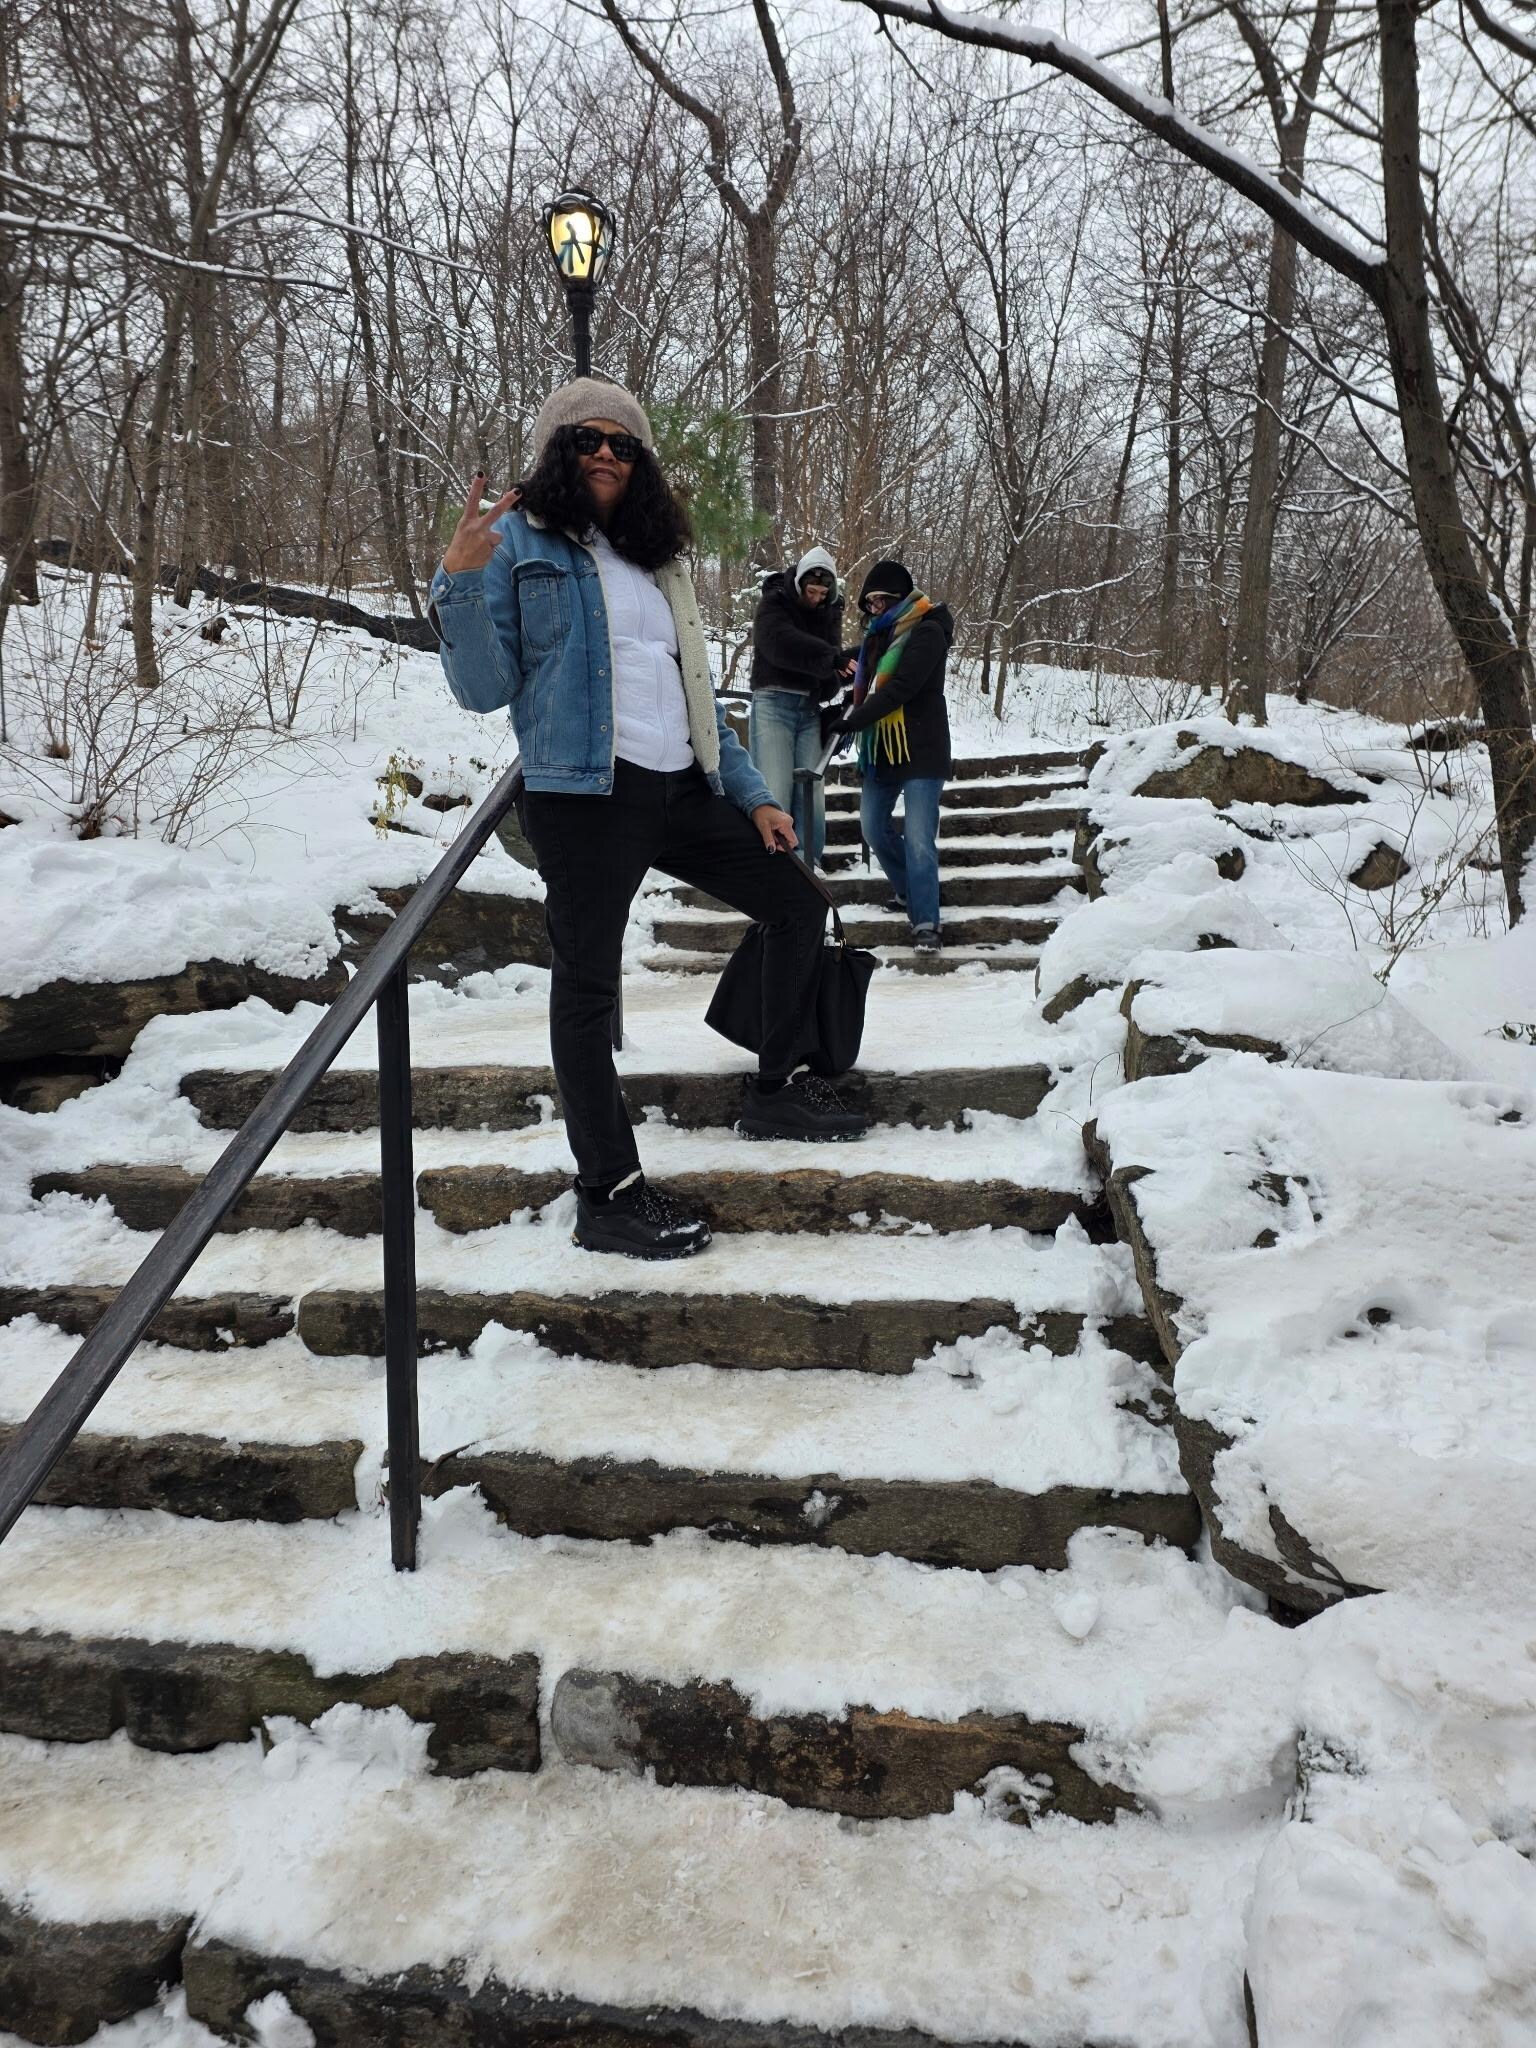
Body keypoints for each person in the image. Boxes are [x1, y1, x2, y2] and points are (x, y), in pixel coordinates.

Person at [430, 377, 869, 1261]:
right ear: (557, 451)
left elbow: (696, 697)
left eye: (623, 444)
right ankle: (609, 1193)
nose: (605, 453)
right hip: (586, 796)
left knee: (796, 903)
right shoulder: (514, 541)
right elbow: (482, 688)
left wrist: (753, 793)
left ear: (640, 463)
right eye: (587, 439)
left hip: (685, 788)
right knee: (587, 991)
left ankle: (775, 1087)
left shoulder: (656, 558)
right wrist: (461, 580)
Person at [837, 560, 954, 956]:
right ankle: (910, 889)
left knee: (919, 839)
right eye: (869, 602)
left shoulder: (929, 631)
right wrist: (833, 665)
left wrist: (854, 720)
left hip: (922, 747)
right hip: (884, 750)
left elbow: (902, 685)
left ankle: (926, 923)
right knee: (872, 827)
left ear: (900, 597)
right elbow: (861, 670)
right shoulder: (878, 637)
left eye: (881, 600)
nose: (875, 608)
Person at [747, 547, 853, 866]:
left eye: (823, 593)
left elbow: (827, 666)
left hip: (809, 709)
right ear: (800, 585)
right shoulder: (775, 601)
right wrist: (831, 659)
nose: (817, 598)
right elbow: (780, 643)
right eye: (812, 591)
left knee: (812, 791)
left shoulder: (830, 611)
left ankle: (810, 866)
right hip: (773, 704)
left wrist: (843, 675)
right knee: (775, 790)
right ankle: (777, 869)